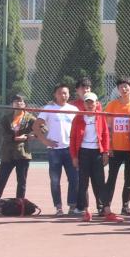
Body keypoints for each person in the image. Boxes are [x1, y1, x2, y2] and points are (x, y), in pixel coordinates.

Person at [70, 92, 122, 223]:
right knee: (83, 182)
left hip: (97, 153)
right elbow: (73, 138)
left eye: (92, 102)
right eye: (87, 102)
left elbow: (105, 134)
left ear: (96, 103)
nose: (89, 105)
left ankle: (106, 210)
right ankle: (86, 211)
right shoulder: (78, 118)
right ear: (84, 104)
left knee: (100, 182)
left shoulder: (100, 116)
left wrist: (105, 152)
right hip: (83, 153)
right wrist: (74, 156)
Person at [35, 84, 80, 216]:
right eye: (60, 93)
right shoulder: (48, 108)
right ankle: (58, 207)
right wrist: (45, 141)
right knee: (55, 181)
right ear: (55, 94)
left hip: (70, 150)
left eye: (65, 93)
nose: (63, 95)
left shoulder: (74, 109)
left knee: (74, 179)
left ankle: (72, 205)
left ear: (69, 94)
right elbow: (36, 126)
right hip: (54, 150)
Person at [104, 77, 130, 216]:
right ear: (117, 89)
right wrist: (109, 147)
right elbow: (108, 128)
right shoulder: (112, 105)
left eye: (126, 86)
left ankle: (125, 206)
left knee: (128, 178)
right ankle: (106, 205)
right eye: (121, 87)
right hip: (115, 149)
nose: (124, 89)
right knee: (111, 177)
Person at [0, 94, 34, 204]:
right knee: (1, 180)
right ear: (12, 104)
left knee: (21, 182)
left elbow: (42, 128)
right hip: (7, 154)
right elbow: (1, 133)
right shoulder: (6, 118)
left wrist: (29, 136)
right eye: (16, 101)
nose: (18, 103)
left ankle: (19, 205)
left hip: (22, 154)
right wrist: (13, 138)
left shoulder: (30, 118)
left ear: (25, 104)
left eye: (21, 101)